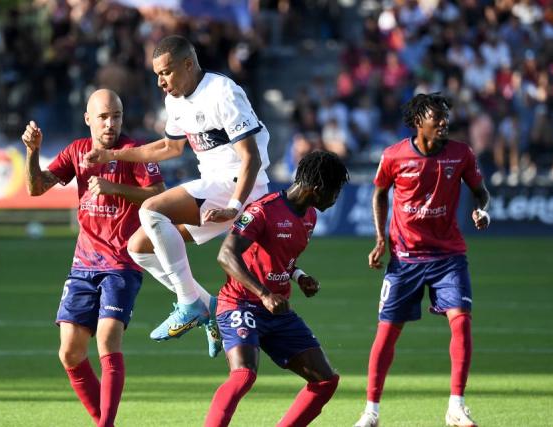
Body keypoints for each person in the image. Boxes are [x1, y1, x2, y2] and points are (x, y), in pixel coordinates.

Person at [83, 35, 271, 357]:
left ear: (188, 64)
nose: (160, 82)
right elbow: (169, 147)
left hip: (239, 187)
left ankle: (188, 304)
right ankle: (206, 306)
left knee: (152, 209)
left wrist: (234, 206)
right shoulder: (175, 101)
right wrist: (112, 157)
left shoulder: (222, 93)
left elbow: (250, 157)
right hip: (215, 189)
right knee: (138, 247)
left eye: (166, 72)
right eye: (157, 74)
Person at [22, 89, 165, 427]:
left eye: (116, 116)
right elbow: (36, 187)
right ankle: (104, 420)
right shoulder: (77, 151)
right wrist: (32, 152)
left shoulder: (135, 152)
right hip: (84, 264)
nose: (110, 124)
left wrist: (115, 188)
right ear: (88, 119)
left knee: (106, 339)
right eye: (103, 117)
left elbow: (159, 194)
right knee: (69, 351)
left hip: (122, 263)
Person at [353, 93, 491, 427]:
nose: (444, 122)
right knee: (387, 334)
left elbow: (480, 189)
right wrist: (379, 239)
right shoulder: (394, 155)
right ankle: (370, 412)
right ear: (419, 122)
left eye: (446, 117)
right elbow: (379, 193)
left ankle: (456, 407)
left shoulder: (461, 154)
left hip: (448, 255)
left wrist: (481, 208)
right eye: (437, 117)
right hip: (405, 257)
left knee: (461, 321)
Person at [204, 151, 349, 427]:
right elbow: (226, 255)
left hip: (277, 310)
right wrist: (264, 294)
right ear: (317, 189)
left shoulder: (309, 217)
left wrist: (299, 276)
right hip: (240, 302)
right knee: (244, 375)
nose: (336, 198)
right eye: (335, 191)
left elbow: (281, 258)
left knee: (326, 381)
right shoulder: (263, 210)